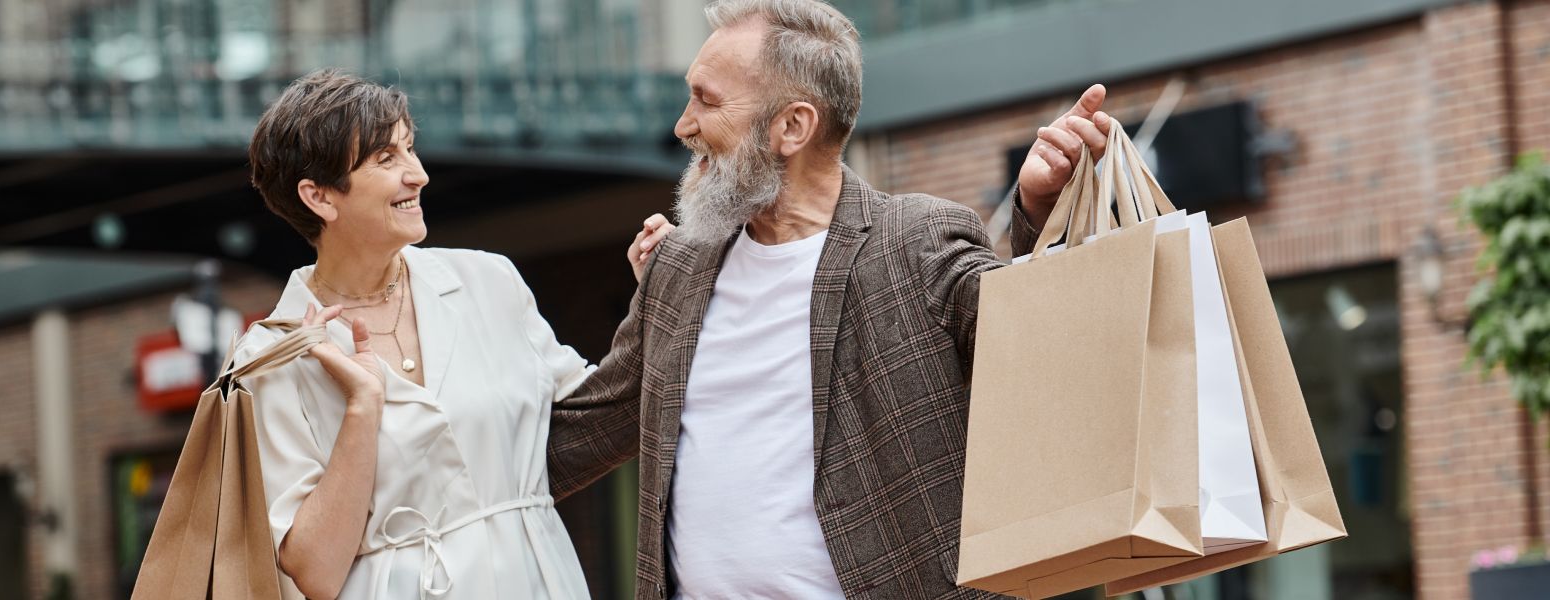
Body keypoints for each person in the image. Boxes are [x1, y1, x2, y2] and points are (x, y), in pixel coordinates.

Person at [545, 1, 1113, 598]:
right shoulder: (678, 269)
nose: (683, 126)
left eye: (706, 101)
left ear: (792, 126)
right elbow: (577, 438)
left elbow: (1042, 362)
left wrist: (1040, 215)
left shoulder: (916, 241)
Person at [233, 68, 671, 600]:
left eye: (411, 149)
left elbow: (599, 412)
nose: (417, 174)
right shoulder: (273, 357)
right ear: (320, 197)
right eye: (386, 159)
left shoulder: (488, 280)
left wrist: (662, 297)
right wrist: (361, 410)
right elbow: (315, 572)